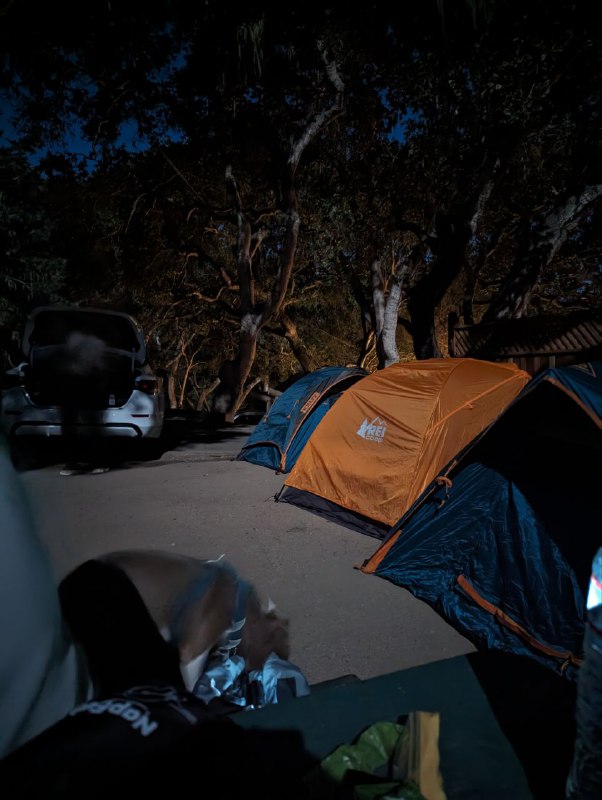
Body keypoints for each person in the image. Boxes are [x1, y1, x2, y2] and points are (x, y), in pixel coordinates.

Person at [0, 436, 313, 797]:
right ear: (266, 627)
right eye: (271, 647)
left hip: (107, 586)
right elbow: (188, 659)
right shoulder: (224, 601)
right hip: (102, 593)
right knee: (163, 698)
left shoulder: (233, 598)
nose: (265, 659)